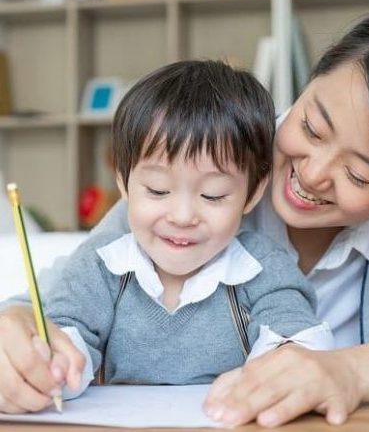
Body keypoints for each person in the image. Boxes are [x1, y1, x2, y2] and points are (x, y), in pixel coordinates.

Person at [1, 5, 369, 425]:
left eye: (361, 175)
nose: (313, 173)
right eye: (312, 126)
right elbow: (62, 296)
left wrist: (350, 371)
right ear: (309, 82)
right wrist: (18, 330)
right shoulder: (215, 161)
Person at [0, 60, 333, 412]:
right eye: (158, 190)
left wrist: (285, 362)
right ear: (123, 182)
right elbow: (68, 332)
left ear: (252, 194)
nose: (183, 216)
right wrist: (50, 368)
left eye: (213, 195)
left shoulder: (263, 268)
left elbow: (297, 339)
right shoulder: (100, 264)